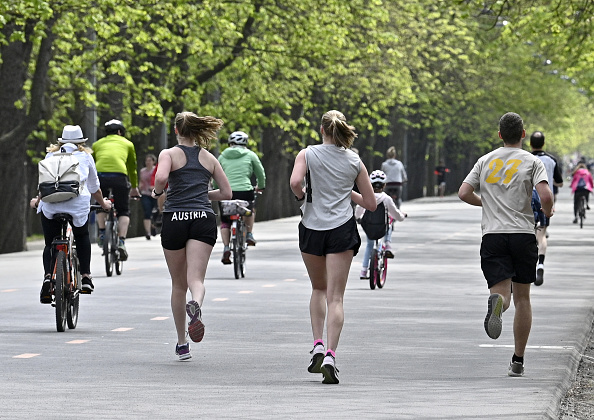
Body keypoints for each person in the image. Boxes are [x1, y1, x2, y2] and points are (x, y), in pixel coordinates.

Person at [458, 112, 553, 377]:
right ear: (523, 134)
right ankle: (518, 360)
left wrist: (485, 202)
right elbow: (545, 194)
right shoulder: (533, 161)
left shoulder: (485, 160)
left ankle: (498, 301)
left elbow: (463, 192)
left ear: (499, 135)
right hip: (522, 234)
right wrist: (547, 211)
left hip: (493, 235)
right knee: (523, 299)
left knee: (502, 293)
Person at [289, 110, 376, 384]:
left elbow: (294, 183)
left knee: (318, 288)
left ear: (321, 129)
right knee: (336, 297)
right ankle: (329, 355)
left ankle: (315, 343)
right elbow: (371, 203)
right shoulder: (354, 160)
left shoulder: (307, 154)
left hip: (312, 227)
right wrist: (344, 190)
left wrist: (302, 196)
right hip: (341, 229)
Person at [152, 111, 231, 361]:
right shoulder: (209, 158)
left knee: (178, 284)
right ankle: (196, 303)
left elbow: (162, 178)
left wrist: (157, 192)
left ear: (176, 131)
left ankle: (182, 343)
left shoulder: (169, 154)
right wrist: (203, 195)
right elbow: (226, 193)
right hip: (202, 219)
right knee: (196, 279)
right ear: (197, 132)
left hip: (175, 218)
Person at [30, 125, 112, 301]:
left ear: (61, 141)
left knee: (49, 243)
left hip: (51, 204)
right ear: (81, 142)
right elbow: (94, 188)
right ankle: (85, 277)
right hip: (77, 205)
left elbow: (46, 183)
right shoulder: (85, 156)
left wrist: (37, 201)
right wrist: (103, 203)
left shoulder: (51, 155)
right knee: (82, 236)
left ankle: (47, 279)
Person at [212, 131, 266, 265]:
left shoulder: (222, 157)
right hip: (245, 191)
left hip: (226, 193)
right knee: (250, 209)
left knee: (225, 220)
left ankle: (226, 247)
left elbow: (215, 176)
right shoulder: (251, 155)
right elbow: (260, 173)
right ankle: (249, 234)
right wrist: (261, 186)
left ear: (230, 143)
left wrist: (216, 189)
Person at [92, 119, 140, 260]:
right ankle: (121, 241)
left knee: (101, 205)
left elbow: (91, 165)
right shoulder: (128, 144)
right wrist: (134, 188)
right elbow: (132, 168)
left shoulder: (97, 144)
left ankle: (102, 233)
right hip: (119, 176)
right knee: (123, 210)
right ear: (120, 132)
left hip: (100, 176)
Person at [355, 170, 406, 279]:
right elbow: (395, 213)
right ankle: (387, 244)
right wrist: (402, 217)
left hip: (369, 228)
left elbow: (358, 210)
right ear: (384, 185)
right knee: (389, 222)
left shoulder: (365, 197)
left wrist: (358, 218)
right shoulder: (387, 199)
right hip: (382, 227)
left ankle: (364, 271)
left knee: (369, 245)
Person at [529, 131, 563, 286]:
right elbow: (560, 182)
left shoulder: (525, 159)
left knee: (526, 234)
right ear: (543, 143)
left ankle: (525, 266)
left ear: (530, 143)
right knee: (541, 235)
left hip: (527, 200)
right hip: (544, 199)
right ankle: (540, 264)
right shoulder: (551, 160)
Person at [139, 154, 158, 239]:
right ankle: (148, 232)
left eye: (150, 160)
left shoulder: (156, 170)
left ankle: (153, 225)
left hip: (155, 193)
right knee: (147, 212)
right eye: (147, 160)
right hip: (145, 193)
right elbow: (141, 181)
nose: (148, 162)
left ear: (153, 161)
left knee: (156, 212)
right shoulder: (142, 171)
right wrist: (139, 187)